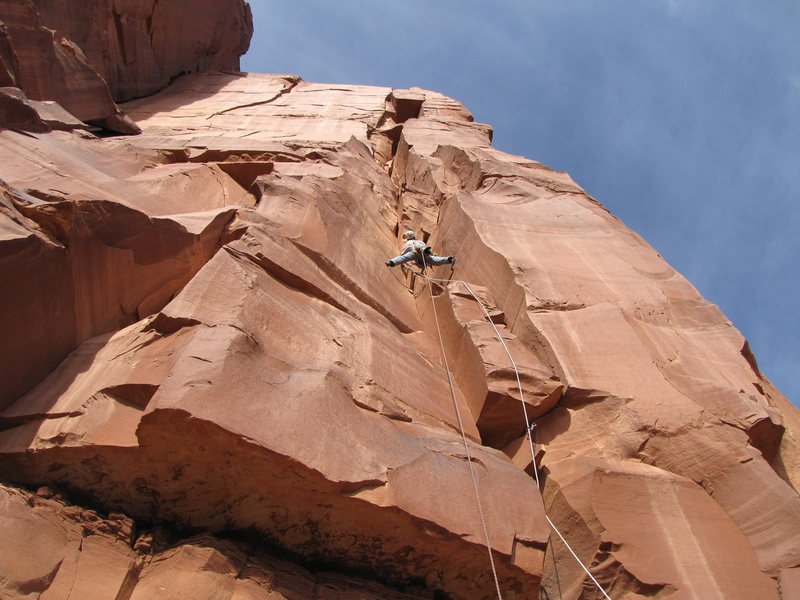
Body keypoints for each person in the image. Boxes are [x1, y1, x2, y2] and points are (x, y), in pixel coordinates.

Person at [386, 231, 456, 268]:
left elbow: (403, 255)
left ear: (407, 238)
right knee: (435, 260)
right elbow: (432, 254)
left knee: (405, 258)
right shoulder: (420, 241)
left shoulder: (408, 243)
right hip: (424, 253)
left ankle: (391, 262)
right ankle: (449, 259)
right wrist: (431, 253)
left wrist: (402, 263)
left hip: (414, 253)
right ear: (414, 236)